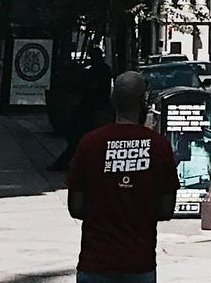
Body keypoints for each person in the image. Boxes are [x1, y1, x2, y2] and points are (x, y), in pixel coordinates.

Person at [66, 69, 178, 283]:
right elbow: (166, 210)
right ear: (143, 103)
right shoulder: (159, 146)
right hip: (139, 263)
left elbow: (75, 207)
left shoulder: (90, 143)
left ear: (112, 100)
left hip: (95, 263)